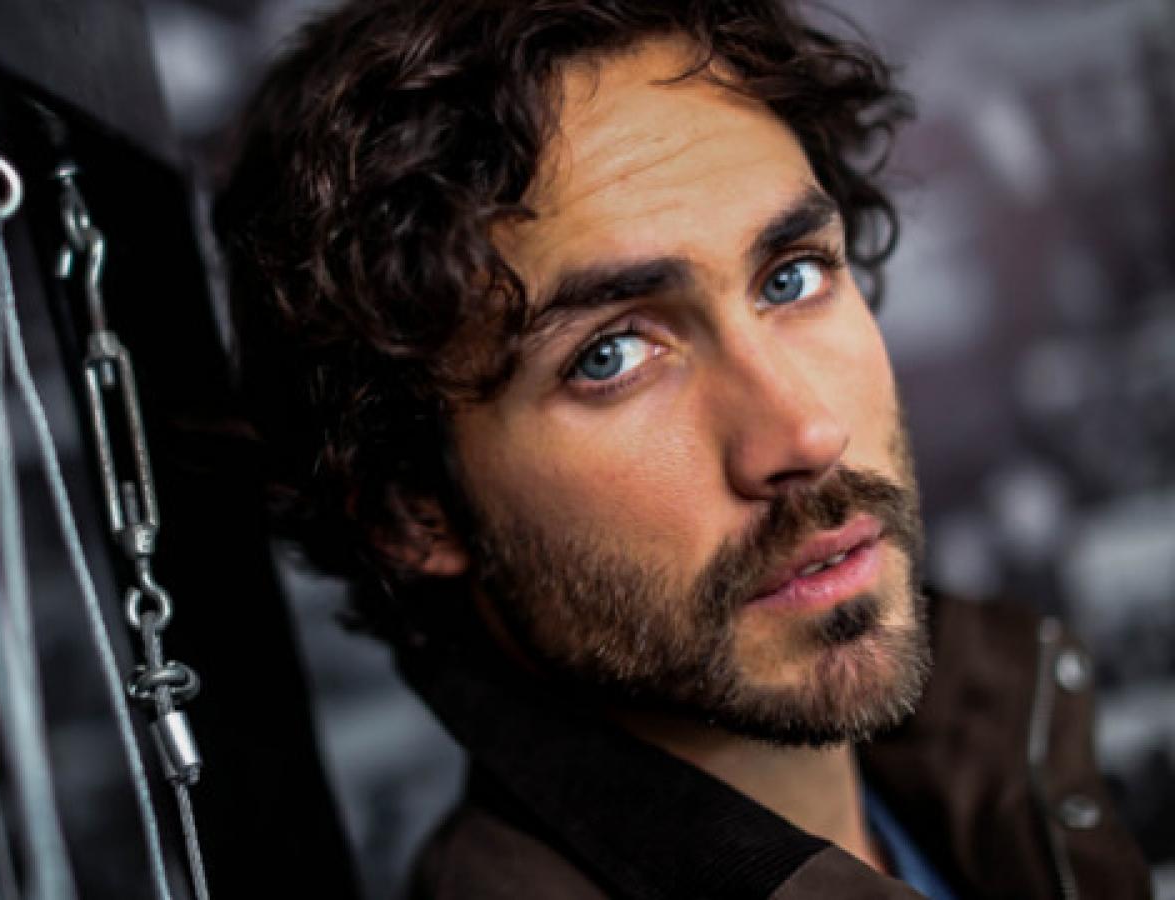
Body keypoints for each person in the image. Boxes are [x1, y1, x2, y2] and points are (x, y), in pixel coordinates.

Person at [213, 1, 1152, 897]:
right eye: (611, 356)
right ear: (410, 509)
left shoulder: (985, 761)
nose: (805, 434)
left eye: (791, 278)